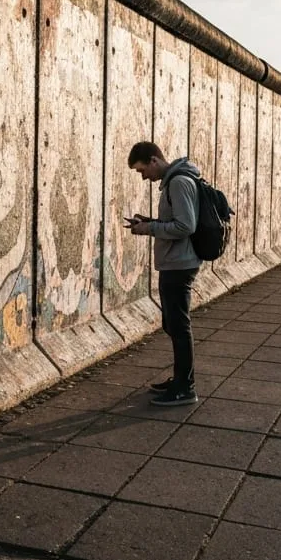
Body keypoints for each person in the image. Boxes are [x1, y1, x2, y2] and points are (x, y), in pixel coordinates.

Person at [126, 142, 201, 406]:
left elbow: (185, 226)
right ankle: (180, 379)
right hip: (175, 262)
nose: (143, 177)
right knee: (172, 324)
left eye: (142, 170)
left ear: (154, 160)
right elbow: (176, 221)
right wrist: (148, 222)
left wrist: (148, 229)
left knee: (179, 326)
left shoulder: (179, 182)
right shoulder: (175, 181)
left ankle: (185, 387)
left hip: (180, 264)